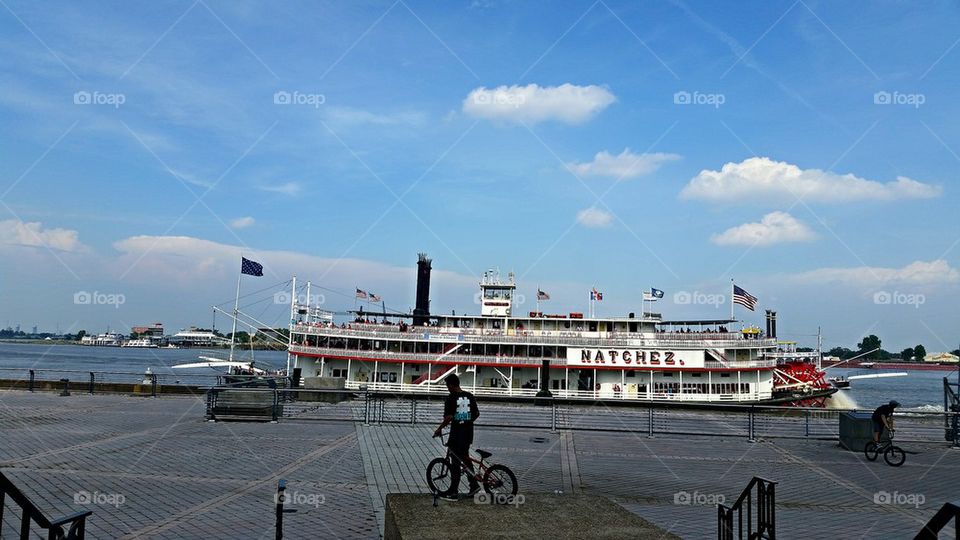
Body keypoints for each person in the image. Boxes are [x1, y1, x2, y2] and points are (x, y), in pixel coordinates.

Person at [433, 374, 480, 501]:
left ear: (452, 385)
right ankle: (474, 485)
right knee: (466, 459)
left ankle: (453, 492)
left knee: (455, 463)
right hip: (468, 433)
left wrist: (439, 429)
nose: (447, 388)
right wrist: (467, 421)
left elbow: (448, 417)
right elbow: (476, 414)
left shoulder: (451, 398)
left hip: (456, 434)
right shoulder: (469, 396)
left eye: (448, 386)